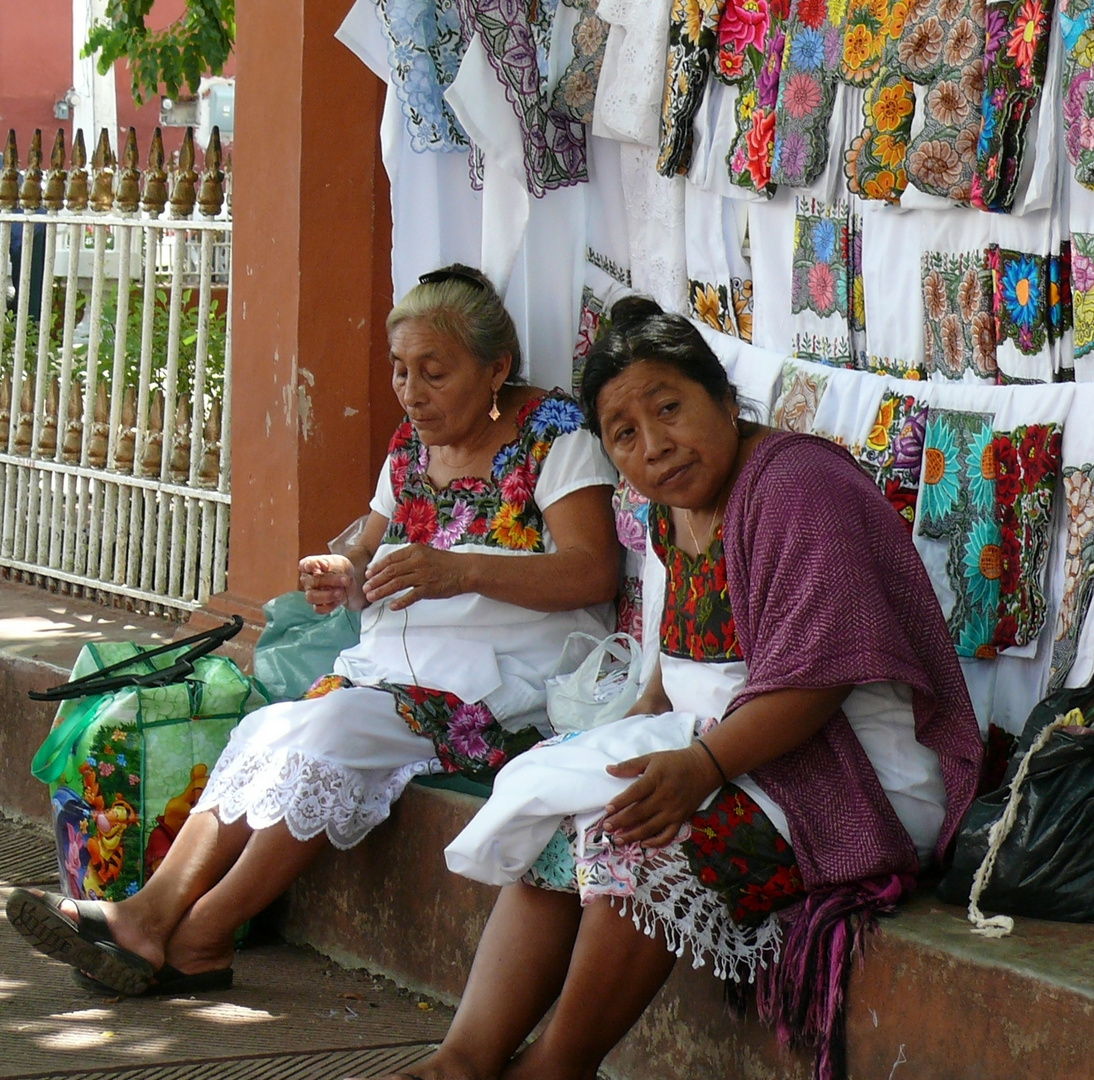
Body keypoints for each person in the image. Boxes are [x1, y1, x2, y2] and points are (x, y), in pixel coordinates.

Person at [368, 299, 983, 1080]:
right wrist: (619, 746)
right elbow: (675, 669)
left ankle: (558, 1065)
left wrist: (696, 769)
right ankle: (464, 1058)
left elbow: (820, 681)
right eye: (625, 433)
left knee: (639, 847)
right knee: (565, 823)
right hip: (729, 753)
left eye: (670, 408)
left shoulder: (797, 486)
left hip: (849, 776)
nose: (656, 445)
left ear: (723, 398)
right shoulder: (670, 512)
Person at [7, 265, 622, 997]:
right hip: (394, 670)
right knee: (269, 732)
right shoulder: (412, 446)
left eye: (434, 372)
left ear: (497, 368)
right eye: (400, 371)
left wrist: (457, 572)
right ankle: (151, 916)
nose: (412, 392)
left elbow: (593, 574)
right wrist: (343, 571)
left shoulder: (554, 437)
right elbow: (367, 549)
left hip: (502, 683)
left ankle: (200, 934)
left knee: (330, 733)